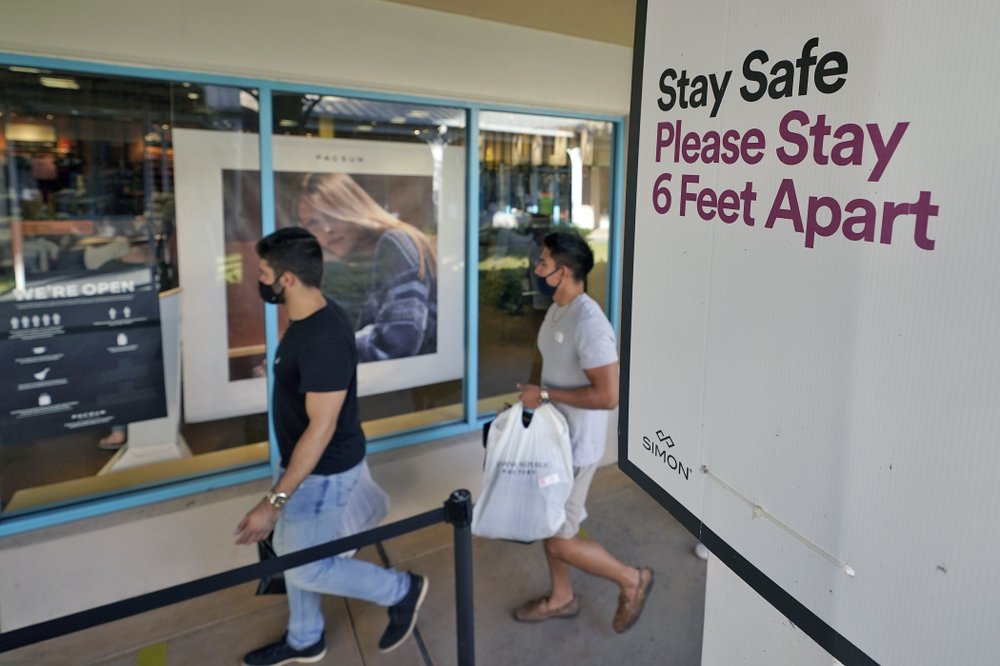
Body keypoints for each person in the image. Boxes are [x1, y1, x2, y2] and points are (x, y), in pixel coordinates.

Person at [234, 227, 428, 666]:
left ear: (286, 279)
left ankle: (401, 590)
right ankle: (305, 638)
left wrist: (273, 501)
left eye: (263, 272)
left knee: (306, 565)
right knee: (295, 553)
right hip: (302, 467)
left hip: (319, 474)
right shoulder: (311, 318)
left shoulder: (322, 339)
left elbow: (320, 430)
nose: (259, 280)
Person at [514, 232, 654, 634]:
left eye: (543, 263)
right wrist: (532, 404)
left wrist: (543, 395)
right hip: (552, 442)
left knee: (559, 538)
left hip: (575, 450)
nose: (536, 268)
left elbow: (609, 396)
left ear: (562, 272)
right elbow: (549, 365)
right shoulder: (558, 310)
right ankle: (561, 598)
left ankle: (632, 579)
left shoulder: (590, 324)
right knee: (552, 525)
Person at [296, 172, 437, 361]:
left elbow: (398, 339)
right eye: (313, 223)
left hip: (422, 376)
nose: (327, 229)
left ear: (354, 209)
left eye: (333, 215)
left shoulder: (393, 242)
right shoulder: (356, 260)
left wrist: (313, 353)